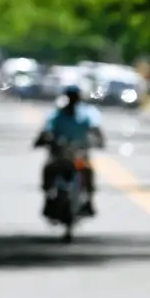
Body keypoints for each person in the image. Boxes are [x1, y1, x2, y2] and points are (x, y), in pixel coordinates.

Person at [36, 86, 105, 214]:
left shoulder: (87, 113)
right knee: (49, 169)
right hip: (60, 154)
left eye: (75, 97)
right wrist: (43, 139)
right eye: (71, 97)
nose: (73, 100)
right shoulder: (57, 114)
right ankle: (47, 199)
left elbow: (95, 129)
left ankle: (89, 201)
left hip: (79, 155)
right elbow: (47, 130)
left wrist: (99, 141)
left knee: (87, 171)